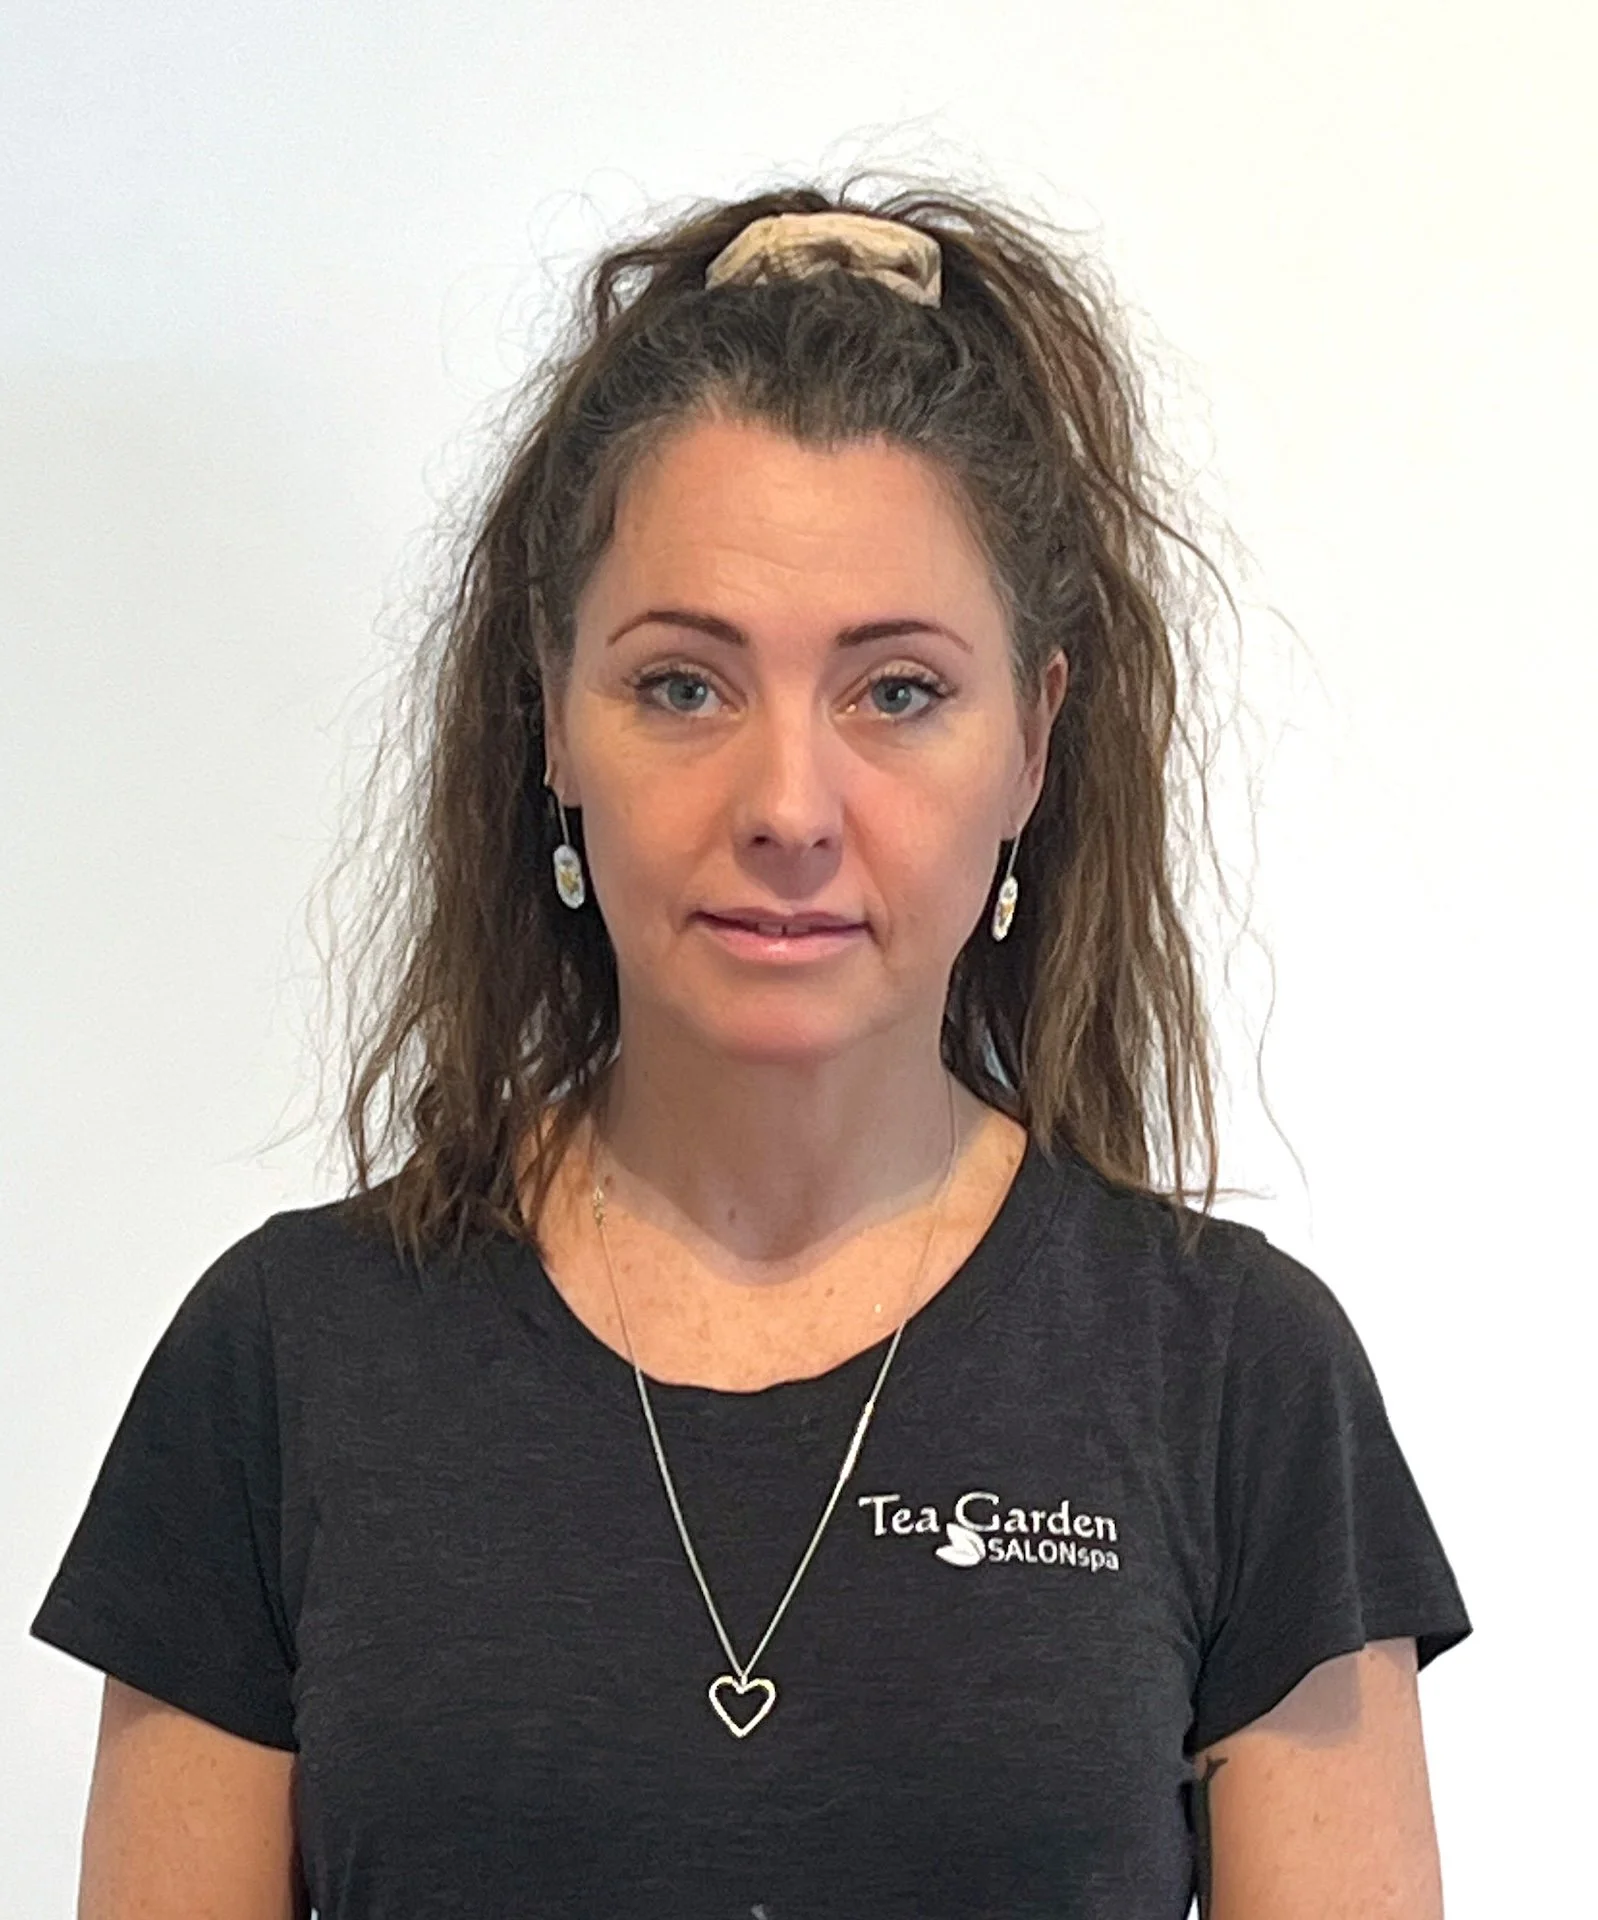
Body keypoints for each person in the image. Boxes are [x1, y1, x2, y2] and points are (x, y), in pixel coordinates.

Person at [31, 183, 1472, 1919]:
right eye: (684, 687)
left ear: (1032, 746)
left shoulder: (1238, 1382)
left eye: (897, 691)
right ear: (549, 723)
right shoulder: (279, 1368)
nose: (788, 807)